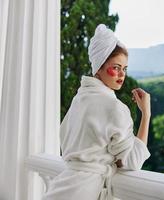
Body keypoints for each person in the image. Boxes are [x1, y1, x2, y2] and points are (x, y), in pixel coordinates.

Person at [42, 24, 151, 200]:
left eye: (124, 69)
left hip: (61, 186)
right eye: (116, 67)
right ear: (99, 67)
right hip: (83, 191)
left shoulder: (79, 100)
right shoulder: (115, 108)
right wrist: (146, 115)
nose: (121, 75)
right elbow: (134, 161)